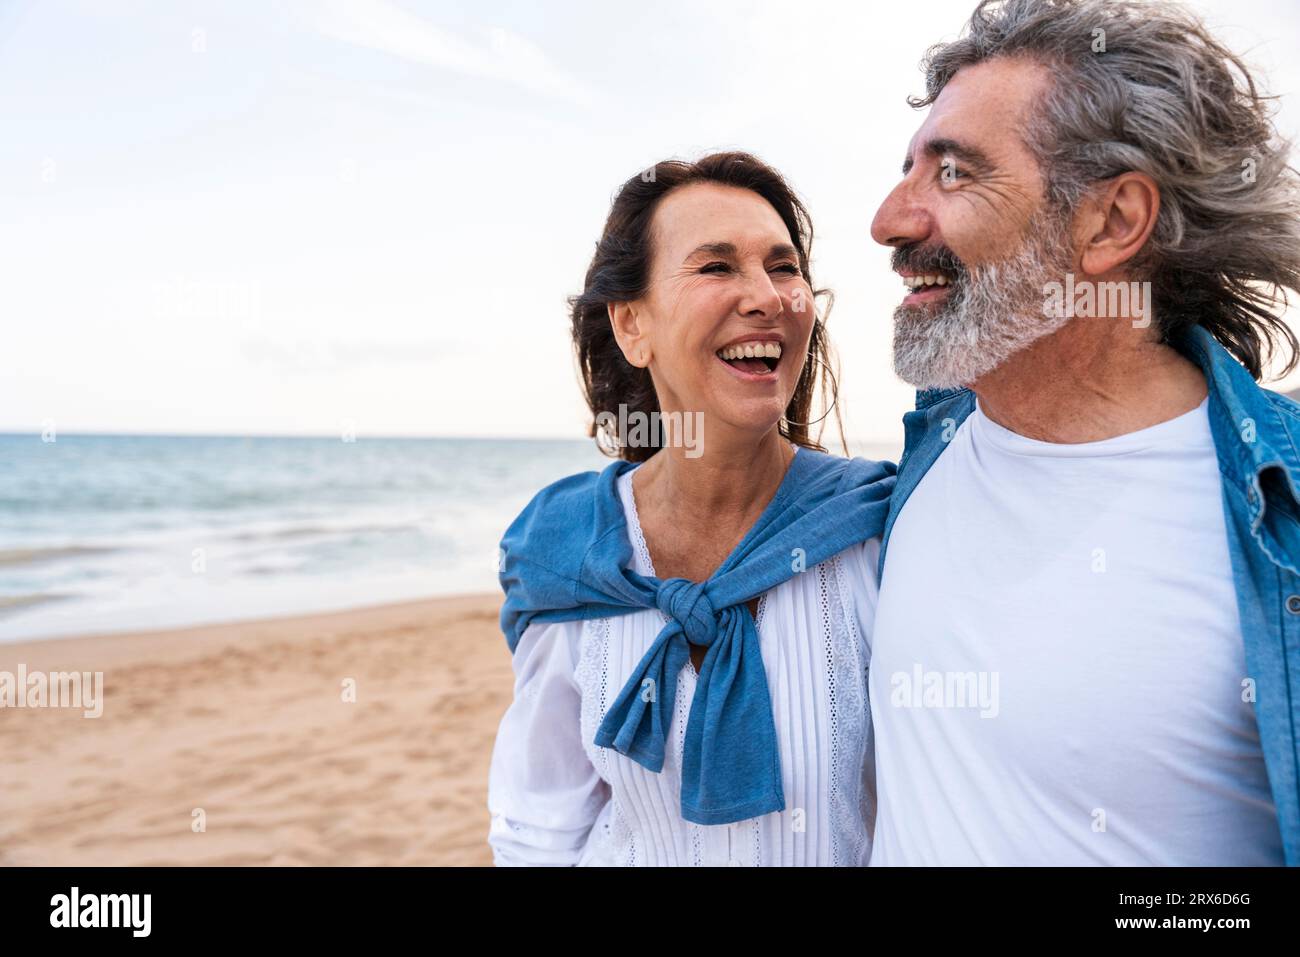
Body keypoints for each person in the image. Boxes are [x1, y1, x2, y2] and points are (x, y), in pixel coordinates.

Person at [867, 0, 1300, 865]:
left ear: (1111, 223)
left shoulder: (1278, 515)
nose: (890, 219)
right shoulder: (929, 454)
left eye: (952, 173)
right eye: (909, 168)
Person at [487, 152, 895, 865]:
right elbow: (538, 827)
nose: (766, 295)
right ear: (631, 325)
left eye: (783, 266)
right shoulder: (572, 552)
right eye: (716, 267)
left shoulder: (876, 532)